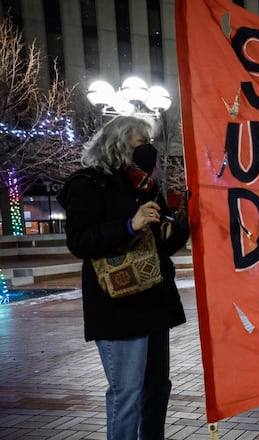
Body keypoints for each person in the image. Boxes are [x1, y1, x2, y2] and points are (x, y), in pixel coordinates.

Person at [57, 116, 190, 439]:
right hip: (117, 306)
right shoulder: (89, 183)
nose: (149, 150)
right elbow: (80, 242)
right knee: (127, 393)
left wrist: (182, 224)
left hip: (154, 302)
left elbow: (160, 247)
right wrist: (129, 224)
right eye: (141, 142)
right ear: (117, 143)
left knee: (157, 387)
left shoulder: (145, 185)